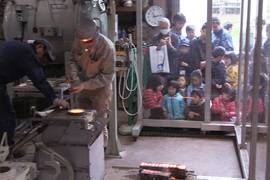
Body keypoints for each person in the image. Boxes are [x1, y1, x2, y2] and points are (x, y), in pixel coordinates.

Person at [0, 39, 70, 146]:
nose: (42, 59)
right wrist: (56, 99)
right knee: (7, 115)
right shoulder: (28, 53)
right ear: (39, 47)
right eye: (44, 55)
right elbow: (38, 79)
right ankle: (6, 149)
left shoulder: (19, 47)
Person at [68, 18, 116, 147]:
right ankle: (86, 149)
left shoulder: (107, 47)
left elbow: (107, 76)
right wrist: (73, 73)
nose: (87, 45)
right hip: (83, 89)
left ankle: (100, 152)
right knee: (83, 121)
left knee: (98, 122)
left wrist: (84, 85)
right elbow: (73, 60)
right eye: (83, 42)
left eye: (90, 41)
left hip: (101, 90)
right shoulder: (78, 43)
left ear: (97, 33)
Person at [152, 17, 180, 84]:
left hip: (172, 69)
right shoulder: (155, 38)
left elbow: (178, 53)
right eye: (162, 28)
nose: (164, 29)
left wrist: (170, 45)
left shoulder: (175, 37)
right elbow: (152, 54)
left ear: (169, 26)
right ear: (159, 28)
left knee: (172, 90)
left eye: (165, 27)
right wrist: (158, 46)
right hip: (159, 69)